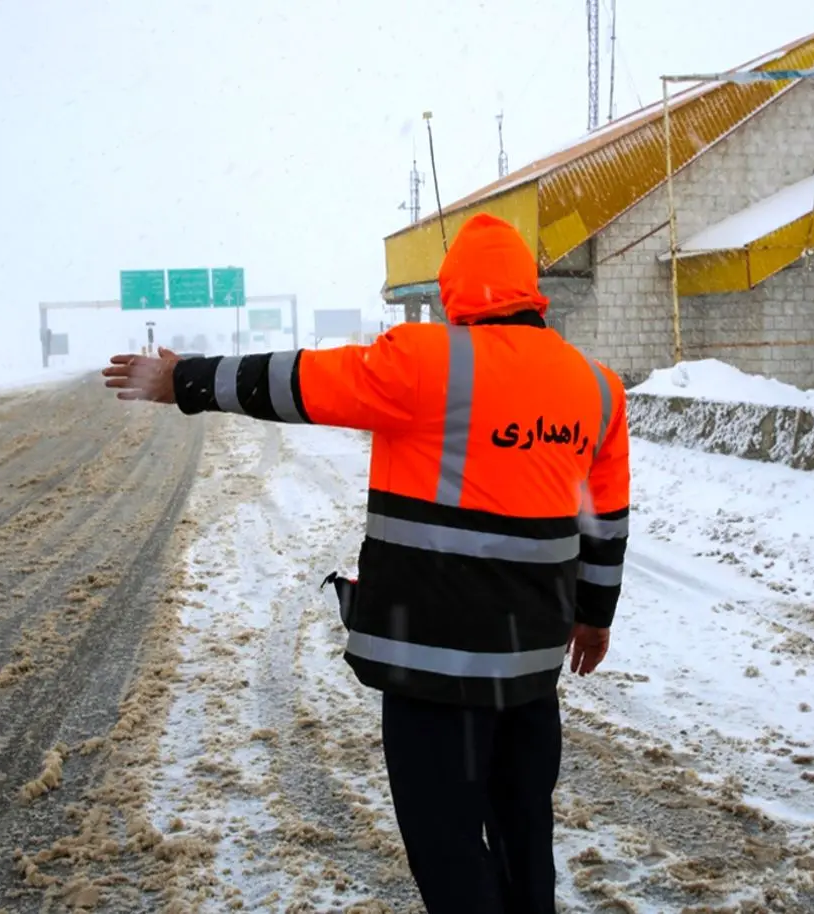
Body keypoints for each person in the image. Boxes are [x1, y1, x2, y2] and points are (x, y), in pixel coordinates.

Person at [102, 213, 630, 913]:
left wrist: (186, 380)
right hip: (530, 667)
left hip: (434, 669)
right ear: (532, 292)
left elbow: (297, 382)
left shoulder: (423, 360)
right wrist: (595, 620)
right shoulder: (596, 387)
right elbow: (607, 521)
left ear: (455, 293)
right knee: (525, 834)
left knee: (446, 850)